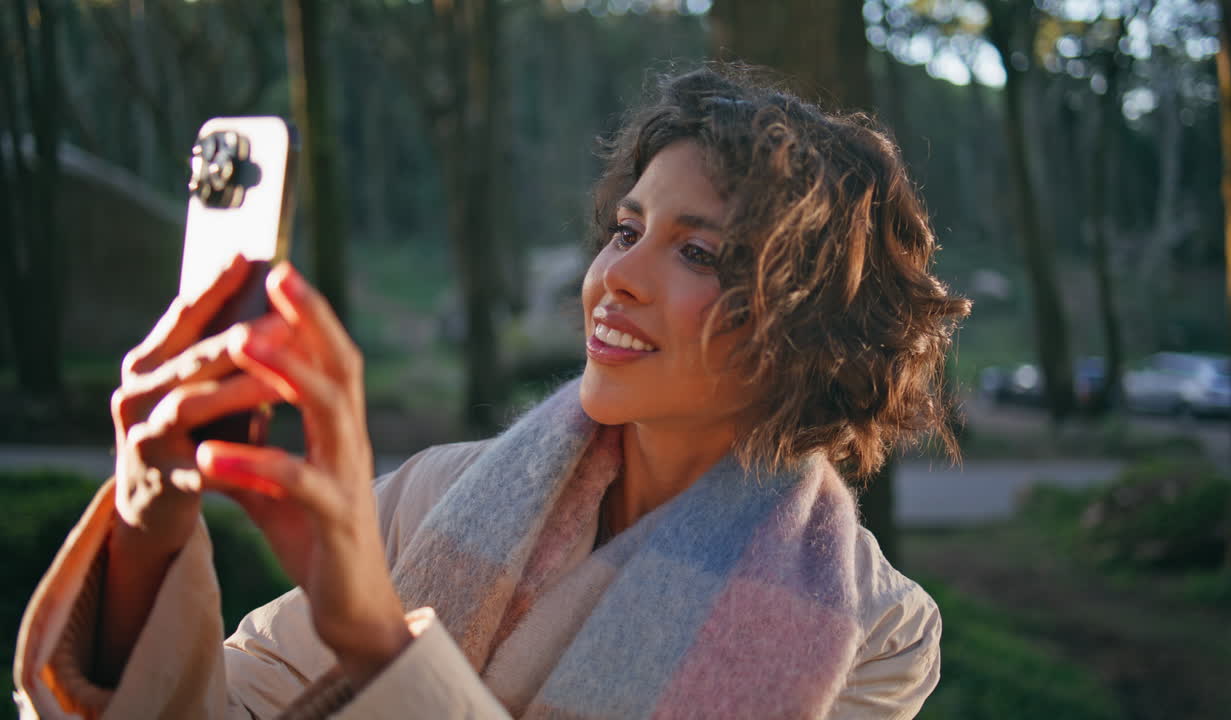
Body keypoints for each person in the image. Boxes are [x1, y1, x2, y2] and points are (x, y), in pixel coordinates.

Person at [14, 66, 970, 719]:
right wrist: (148, 530)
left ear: (805, 330)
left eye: (697, 251)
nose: (616, 276)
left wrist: (378, 640)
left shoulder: (873, 635)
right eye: (625, 229)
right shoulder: (435, 497)